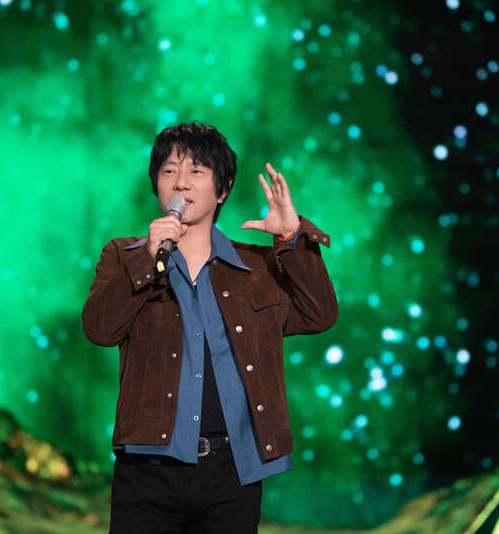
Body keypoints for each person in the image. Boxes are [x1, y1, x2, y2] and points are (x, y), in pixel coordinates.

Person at [81, 121, 338, 533]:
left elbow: (318, 313)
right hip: (147, 470)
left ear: (223, 189)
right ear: (155, 184)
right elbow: (99, 329)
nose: (180, 182)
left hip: (232, 471)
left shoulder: (257, 268)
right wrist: (148, 259)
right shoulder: (124, 256)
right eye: (168, 170)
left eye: (196, 171)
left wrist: (292, 238)